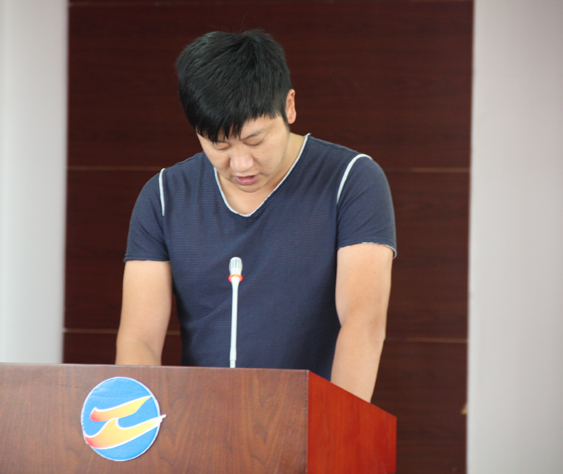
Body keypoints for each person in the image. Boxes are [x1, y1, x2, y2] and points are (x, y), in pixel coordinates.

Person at [115, 30, 395, 402]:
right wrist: (138, 425)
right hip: (201, 419)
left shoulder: (350, 181)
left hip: (312, 418)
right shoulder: (165, 197)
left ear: (289, 107)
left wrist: (336, 427)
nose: (241, 164)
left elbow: (363, 324)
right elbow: (140, 340)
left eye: (255, 140)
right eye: (219, 145)